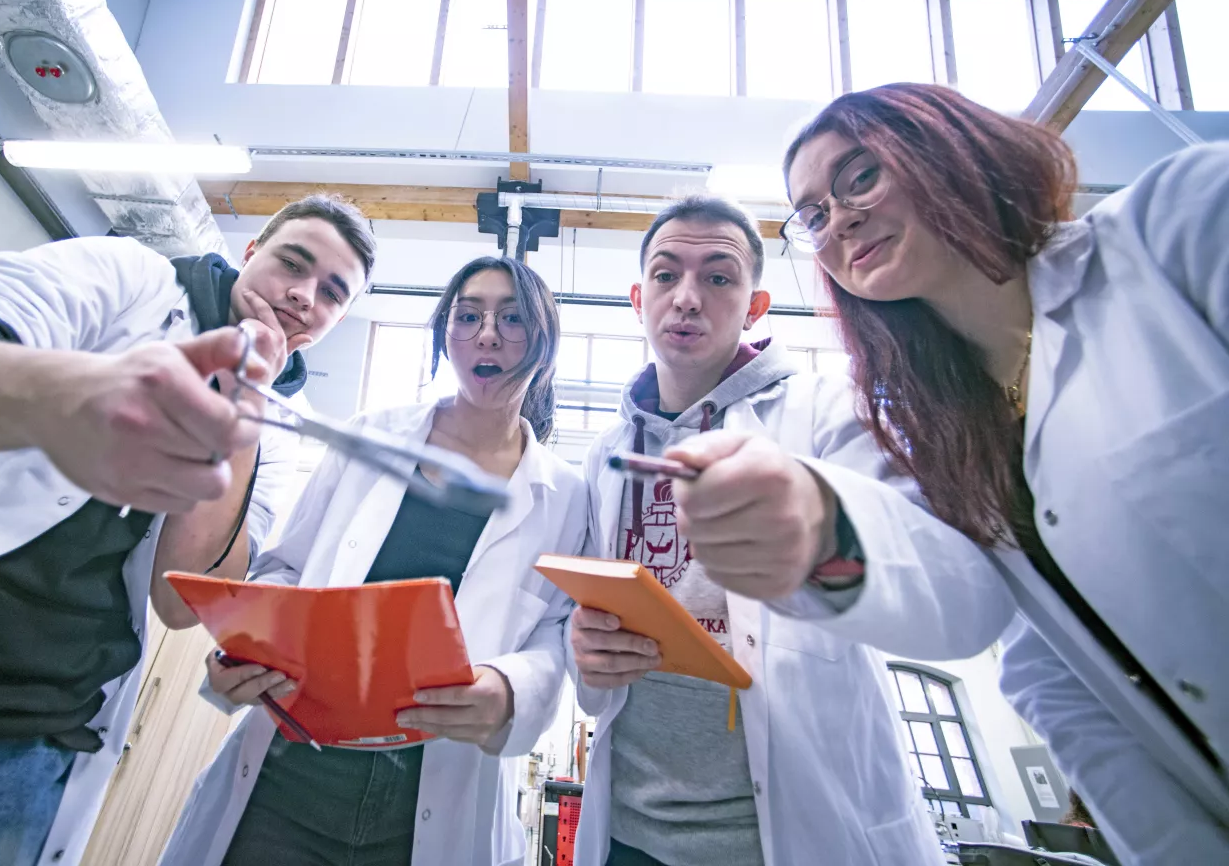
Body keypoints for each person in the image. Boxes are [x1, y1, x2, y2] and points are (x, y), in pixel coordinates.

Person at [0, 194, 376, 866]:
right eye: (291, 264)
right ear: (249, 253)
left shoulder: (274, 438)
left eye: (332, 294)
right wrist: (62, 400)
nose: (302, 296)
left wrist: (244, 415)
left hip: (14, 772)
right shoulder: (126, 278)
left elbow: (182, 603)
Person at [778, 82, 1229, 863]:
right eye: (813, 214)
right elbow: (1052, 676)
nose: (840, 218)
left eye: (859, 177)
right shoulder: (944, 437)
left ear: (946, 146)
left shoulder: (1179, 226)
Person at [566, 195, 1014, 866]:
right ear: (638, 298)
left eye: (718, 277)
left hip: (788, 831)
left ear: (755, 305)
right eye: (666, 275)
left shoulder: (830, 410)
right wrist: (588, 654)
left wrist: (819, 534)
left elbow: (953, 588)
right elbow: (595, 660)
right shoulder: (607, 451)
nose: (687, 298)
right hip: (630, 832)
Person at [159, 256, 589, 866]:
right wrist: (248, 648)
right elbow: (284, 569)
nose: (487, 333)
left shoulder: (566, 496)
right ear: (445, 335)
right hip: (291, 777)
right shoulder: (369, 436)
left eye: (512, 318)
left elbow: (556, 634)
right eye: (468, 316)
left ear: (545, 344)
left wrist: (509, 692)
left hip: (432, 796)